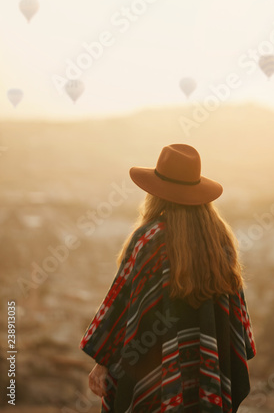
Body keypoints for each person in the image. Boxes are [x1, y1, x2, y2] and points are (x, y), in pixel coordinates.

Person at [79, 144, 256, 412]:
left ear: (156, 193)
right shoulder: (220, 241)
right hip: (209, 377)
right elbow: (237, 319)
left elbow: (122, 303)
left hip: (153, 375)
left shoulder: (150, 239)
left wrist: (102, 361)